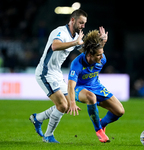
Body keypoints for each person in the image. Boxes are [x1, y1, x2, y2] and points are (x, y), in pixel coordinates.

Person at [29, 9, 88, 143]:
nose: (83, 26)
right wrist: (75, 43)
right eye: (81, 22)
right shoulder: (60, 31)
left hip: (57, 73)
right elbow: (55, 46)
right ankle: (48, 136)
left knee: (66, 106)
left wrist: (100, 43)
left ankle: (37, 118)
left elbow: (85, 51)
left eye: (84, 23)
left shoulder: (75, 36)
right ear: (72, 20)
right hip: (45, 73)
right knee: (62, 105)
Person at [67, 29, 125, 143]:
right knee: (91, 97)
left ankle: (102, 123)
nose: (101, 57)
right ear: (89, 55)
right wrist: (72, 102)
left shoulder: (101, 59)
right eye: (98, 55)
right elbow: (70, 85)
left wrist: (102, 42)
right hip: (80, 89)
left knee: (119, 111)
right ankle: (98, 130)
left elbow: (95, 48)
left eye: (102, 53)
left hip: (96, 86)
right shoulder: (77, 64)